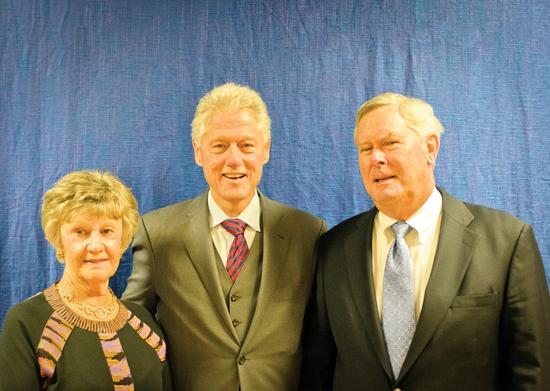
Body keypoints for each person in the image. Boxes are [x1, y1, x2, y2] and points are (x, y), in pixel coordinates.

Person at [301, 93, 550, 390]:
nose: (375, 158)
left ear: (430, 148)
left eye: (389, 143)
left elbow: (532, 371)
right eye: (365, 148)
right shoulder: (333, 249)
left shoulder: (507, 242)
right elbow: (318, 370)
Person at [122, 82, 326, 390]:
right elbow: (132, 326)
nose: (234, 160)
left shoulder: (308, 233)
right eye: (219, 146)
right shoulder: (156, 233)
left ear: (266, 149)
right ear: (198, 151)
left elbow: (324, 338)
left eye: (246, 146)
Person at [0, 170, 171, 390]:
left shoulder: (145, 323)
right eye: (80, 232)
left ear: (122, 240)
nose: (96, 246)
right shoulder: (27, 323)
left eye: (107, 231)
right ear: (59, 241)